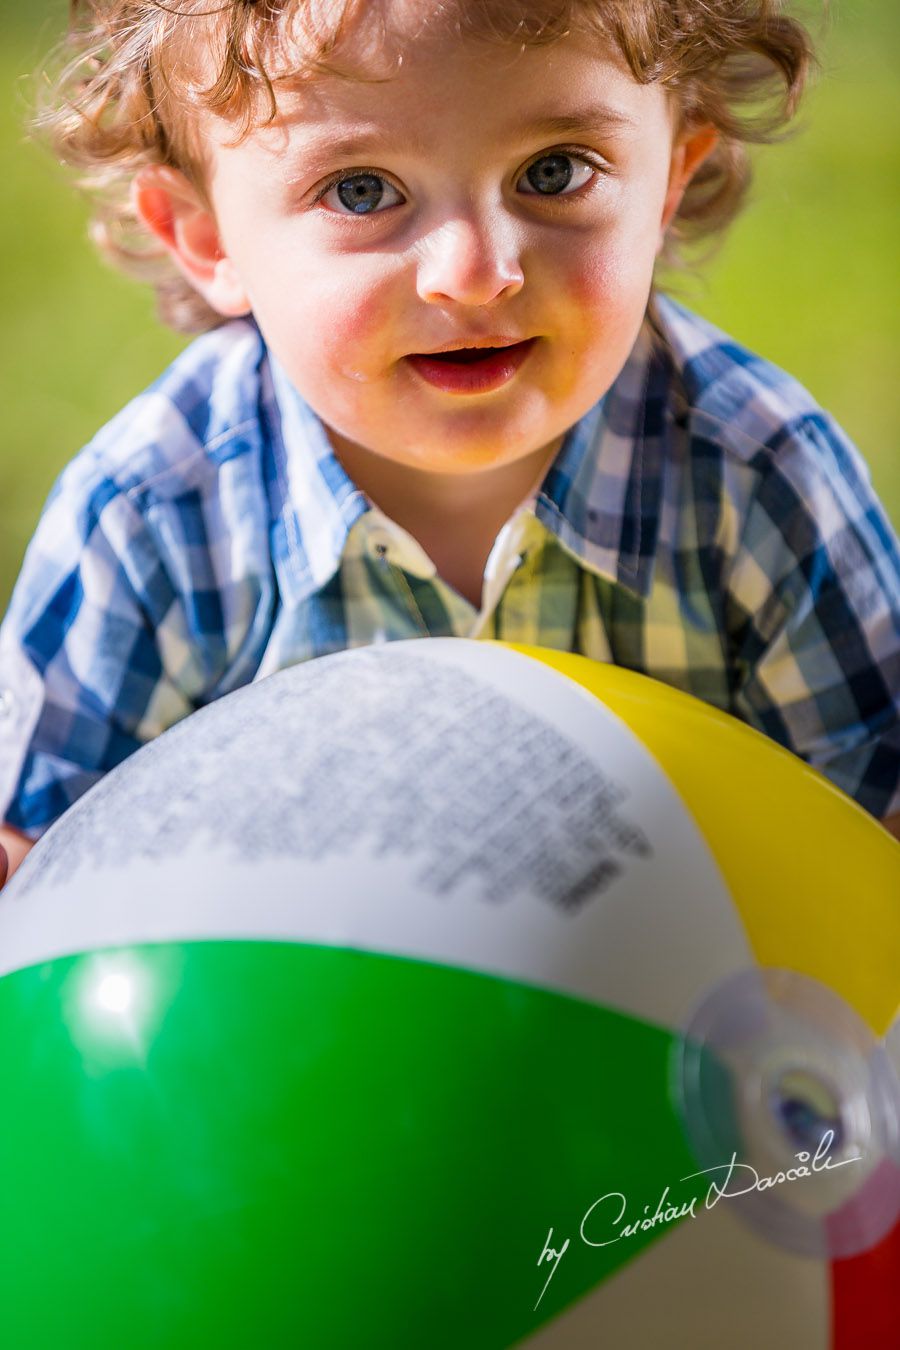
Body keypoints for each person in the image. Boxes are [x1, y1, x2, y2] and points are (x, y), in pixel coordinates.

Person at [1, 0, 898, 889]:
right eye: (362, 191)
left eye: (554, 172)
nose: (475, 272)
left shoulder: (758, 479)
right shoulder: (154, 514)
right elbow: (39, 878)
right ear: (205, 237)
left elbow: (877, 841)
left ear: (667, 183)